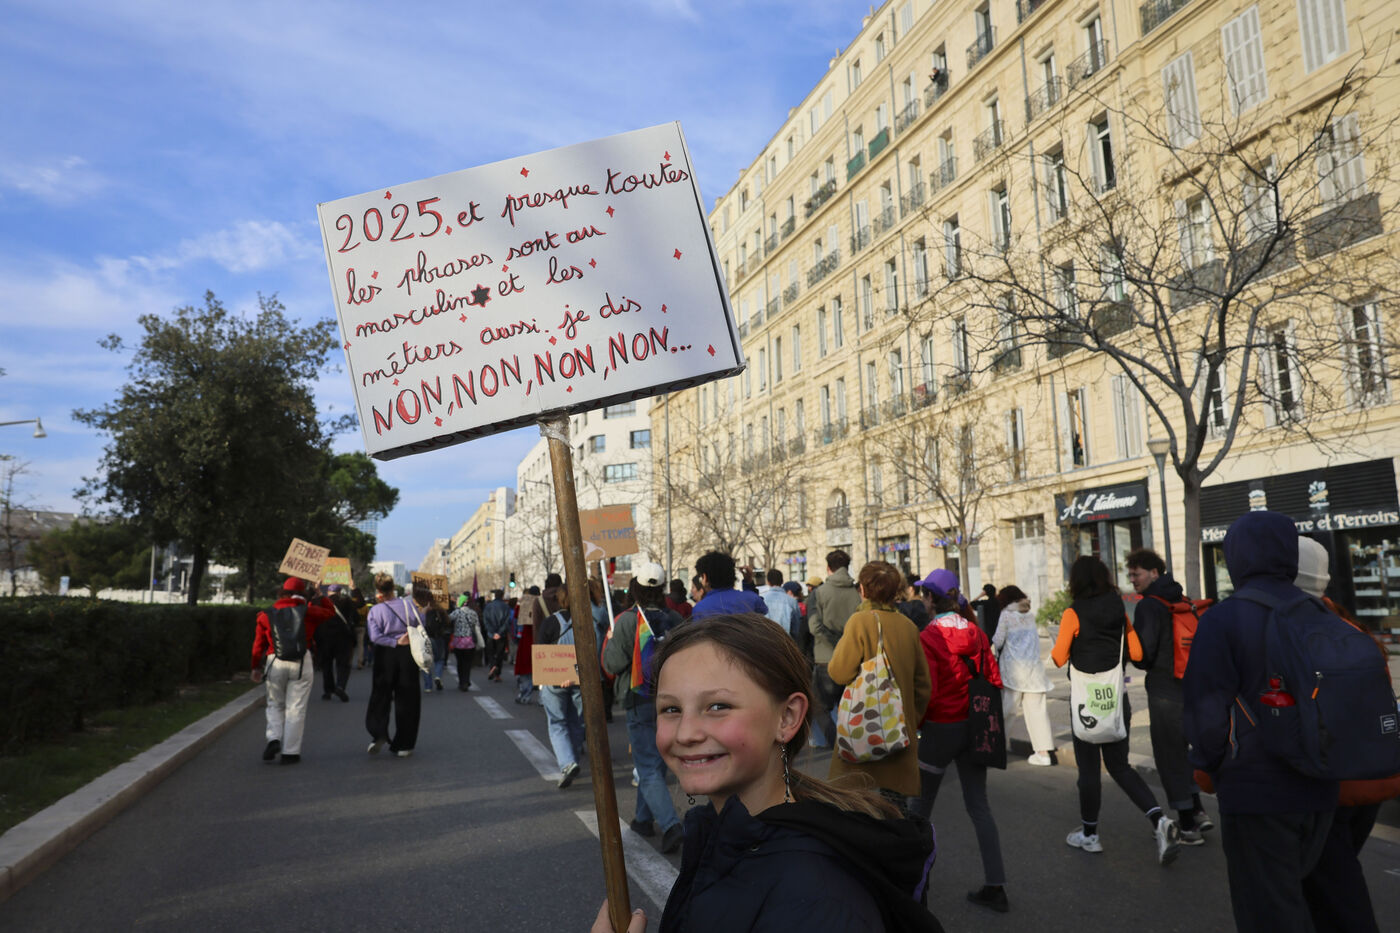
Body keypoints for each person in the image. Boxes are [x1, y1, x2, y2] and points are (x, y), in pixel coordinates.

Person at [592, 614, 943, 933]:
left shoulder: (817, 901)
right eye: (671, 709)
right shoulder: (723, 835)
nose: (685, 733)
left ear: (787, 717)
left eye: (718, 706)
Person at [1183, 512, 1338, 931]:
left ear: (1236, 556)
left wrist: (1211, 766)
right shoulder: (1320, 612)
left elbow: (1205, 712)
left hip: (1255, 789)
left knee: (1268, 913)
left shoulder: (1223, 619)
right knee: (1301, 902)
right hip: (1321, 784)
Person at [1291, 536, 1392, 933]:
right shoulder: (1353, 629)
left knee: (1337, 899)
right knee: (1334, 886)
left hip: (1326, 786)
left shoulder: (1289, 634)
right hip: (1372, 781)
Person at [1052, 556, 1180, 864]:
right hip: (1116, 701)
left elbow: (1058, 657)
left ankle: (1090, 835)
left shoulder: (1073, 613)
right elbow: (1136, 653)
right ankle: (1160, 821)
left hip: (1086, 704)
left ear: (1076, 582)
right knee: (1120, 767)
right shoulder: (1119, 611)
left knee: (1088, 770)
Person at [910, 573, 1008, 912]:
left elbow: (927, 691)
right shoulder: (976, 632)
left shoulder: (929, 636)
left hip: (941, 727)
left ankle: (912, 887)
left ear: (930, 598)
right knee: (979, 806)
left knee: (919, 810)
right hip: (976, 725)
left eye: (924, 595)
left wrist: (916, 726)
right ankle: (996, 885)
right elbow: (994, 679)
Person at [827, 561, 932, 805]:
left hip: (862, 731)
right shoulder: (908, 627)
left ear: (863, 589)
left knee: (857, 807)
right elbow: (923, 686)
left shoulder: (859, 621)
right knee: (894, 809)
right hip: (898, 733)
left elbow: (839, 672)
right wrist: (908, 717)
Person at [1125, 547, 1211, 842]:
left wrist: (1134, 654)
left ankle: (1187, 825)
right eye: (1130, 574)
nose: (1132, 579)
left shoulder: (1149, 606)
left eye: (1136, 574)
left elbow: (1144, 655)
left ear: (1153, 573)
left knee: (1169, 755)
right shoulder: (1182, 599)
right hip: (1192, 685)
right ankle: (1199, 811)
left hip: (1164, 689)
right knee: (1186, 751)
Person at [602, 561, 686, 853]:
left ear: (635, 587)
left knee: (647, 765)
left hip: (639, 699)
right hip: (672, 699)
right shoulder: (675, 619)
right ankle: (643, 818)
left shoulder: (627, 621)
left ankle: (671, 825)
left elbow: (612, 664)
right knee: (655, 761)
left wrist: (612, 640)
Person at [250, 577, 335, 764]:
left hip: (275, 661)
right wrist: (320, 594)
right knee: (296, 707)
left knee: (274, 704)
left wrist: (256, 666)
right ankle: (290, 752)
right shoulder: (308, 612)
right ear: (303, 593)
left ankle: (274, 737)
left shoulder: (266, 614)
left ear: (282, 592)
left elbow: (258, 645)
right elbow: (330, 612)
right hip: (301, 661)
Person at [990, 585, 1055, 767]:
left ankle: (998, 749)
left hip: (1013, 671)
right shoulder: (1030, 615)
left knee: (1007, 712)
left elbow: (998, 641)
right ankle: (1043, 754)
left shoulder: (1006, 615)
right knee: (1038, 713)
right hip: (1035, 672)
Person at [364, 573, 425, 758]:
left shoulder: (375, 610)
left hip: (385, 655)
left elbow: (374, 637)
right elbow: (422, 626)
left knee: (380, 695)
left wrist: (393, 641)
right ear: (393, 588)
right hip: (408, 653)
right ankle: (404, 744)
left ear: (378, 591)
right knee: (408, 698)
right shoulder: (410, 605)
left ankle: (379, 732)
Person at [808, 550, 861, 747]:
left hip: (825, 658)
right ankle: (852, 741)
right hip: (853, 657)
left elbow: (814, 626)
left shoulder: (818, 593)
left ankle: (834, 741)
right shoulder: (858, 593)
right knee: (850, 706)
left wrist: (833, 642)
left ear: (828, 568)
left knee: (819, 706)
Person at [537, 582, 586, 789]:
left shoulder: (550, 622)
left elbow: (540, 652)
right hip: (580, 677)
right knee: (577, 722)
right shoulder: (585, 620)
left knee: (557, 723)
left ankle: (567, 763)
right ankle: (573, 756)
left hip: (554, 679)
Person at [689, 551, 768, 621]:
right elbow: (762, 612)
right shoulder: (752, 599)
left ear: (705, 577)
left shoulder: (700, 610)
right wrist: (748, 583)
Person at [317, 584, 355, 702]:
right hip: (343, 638)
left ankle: (328, 691)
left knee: (327, 665)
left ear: (328, 592)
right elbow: (356, 616)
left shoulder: (321, 602)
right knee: (343, 664)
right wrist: (353, 588)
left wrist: (316, 588)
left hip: (325, 639)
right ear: (339, 592)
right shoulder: (347, 602)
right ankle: (340, 686)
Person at [514, 584, 544, 704]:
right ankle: (542, 698)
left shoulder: (524, 604)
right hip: (541, 639)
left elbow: (516, 616)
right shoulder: (543, 603)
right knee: (543, 669)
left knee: (526, 669)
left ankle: (525, 695)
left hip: (526, 641)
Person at [449, 594, 483, 691]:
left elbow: (448, 619)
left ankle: (461, 682)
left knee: (460, 663)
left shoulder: (456, 612)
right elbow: (477, 626)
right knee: (467, 663)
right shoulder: (473, 613)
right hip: (469, 641)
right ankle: (466, 681)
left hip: (458, 641)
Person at [420, 589, 451, 693]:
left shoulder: (421, 610)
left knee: (426, 663)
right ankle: (437, 676)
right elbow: (447, 622)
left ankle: (428, 686)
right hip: (438, 637)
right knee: (439, 659)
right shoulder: (440, 609)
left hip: (425, 638)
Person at [758, 568, 802, 640]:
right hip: (786, 642)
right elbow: (796, 628)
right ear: (782, 581)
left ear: (768, 582)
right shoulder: (792, 601)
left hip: (766, 641)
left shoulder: (761, 599)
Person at [482, 587, 513, 682]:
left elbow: (485, 620)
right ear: (502, 596)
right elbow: (507, 621)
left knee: (491, 652)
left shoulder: (488, 606)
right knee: (500, 653)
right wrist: (499, 632)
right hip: (501, 634)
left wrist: (492, 632)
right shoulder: (506, 607)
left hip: (490, 634)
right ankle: (497, 674)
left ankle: (493, 666)